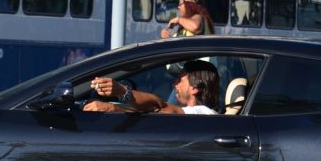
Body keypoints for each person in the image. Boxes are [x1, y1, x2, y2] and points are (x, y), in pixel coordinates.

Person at [84, 60, 221, 115]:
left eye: (180, 80)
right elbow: (152, 116)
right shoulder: (192, 114)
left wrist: (122, 91)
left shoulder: (203, 113)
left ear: (195, 88)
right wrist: (113, 108)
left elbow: (159, 107)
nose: (174, 84)